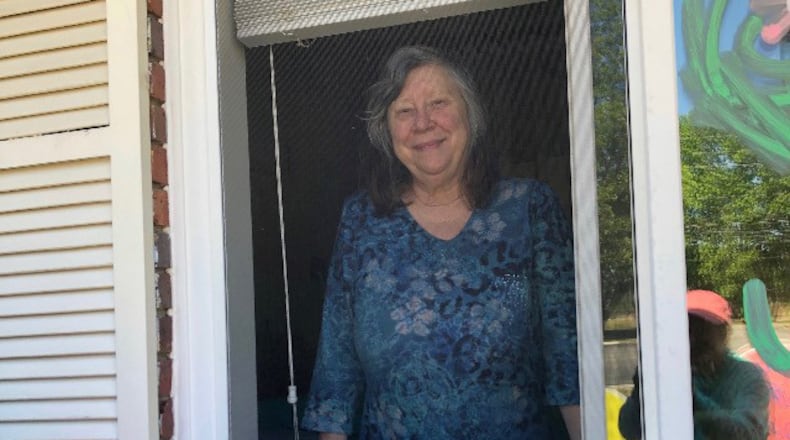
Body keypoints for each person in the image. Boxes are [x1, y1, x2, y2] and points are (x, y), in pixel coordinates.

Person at [301, 46, 580, 440]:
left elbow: (567, 356)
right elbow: (336, 369)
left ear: (470, 115)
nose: (423, 123)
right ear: (387, 132)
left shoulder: (529, 208)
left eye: (438, 103)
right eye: (404, 111)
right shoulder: (362, 220)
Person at [618, 289, 771, 439]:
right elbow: (629, 429)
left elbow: (750, 434)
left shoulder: (746, 376)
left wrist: (694, 401)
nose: (695, 338)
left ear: (724, 334)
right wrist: (641, 394)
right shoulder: (670, 372)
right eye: (687, 327)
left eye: (706, 329)